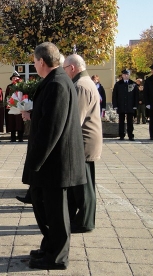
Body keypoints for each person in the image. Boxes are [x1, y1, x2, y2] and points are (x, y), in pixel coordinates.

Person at [21, 42, 86, 270]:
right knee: (46, 208)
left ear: (41, 61)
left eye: (34, 62)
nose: (34, 65)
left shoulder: (58, 83)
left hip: (57, 163)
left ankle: (57, 257)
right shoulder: (55, 80)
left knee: (57, 213)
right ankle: (49, 247)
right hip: (53, 162)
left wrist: (34, 163)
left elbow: (51, 129)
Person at [64, 54, 102, 233]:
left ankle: (85, 222)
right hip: (88, 140)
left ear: (72, 68)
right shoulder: (87, 82)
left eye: (64, 68)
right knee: (81, 185)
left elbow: (75, 119)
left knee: (84, 186)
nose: (64, 72)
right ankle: (78, 218)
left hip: (83, 142)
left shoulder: (80, 86)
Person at [112, 69, 139, 141]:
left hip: (130, 105)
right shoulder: (118, 84)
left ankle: (130, 135)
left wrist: (135, 105)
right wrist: (115, 105)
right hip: (121, 105)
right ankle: (121, 135)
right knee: (121, 121)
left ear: (129, 75)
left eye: (127, 74)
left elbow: (136, 95)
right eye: (124, 74)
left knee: (130, 122)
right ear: (122, 75)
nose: (126, 76)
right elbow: (115, 95)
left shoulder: (133, 84)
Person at [5, 72, 24, 142]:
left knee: (19, 123)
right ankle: (13, 138)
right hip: (12, 106)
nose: (15, 79)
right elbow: (6, 96)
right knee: (12, 122)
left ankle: (20, 137)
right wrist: (7, 103)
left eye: (16, 78)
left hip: (20, 107)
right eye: (13, 78)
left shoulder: (21, 86)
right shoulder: (9, 87)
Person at [144, 64, 153, 140]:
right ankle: (152, 135)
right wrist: (147, 103)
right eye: (152, 69)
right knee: (152, 121)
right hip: (152, 103)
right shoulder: (148, 80)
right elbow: (146, 93)